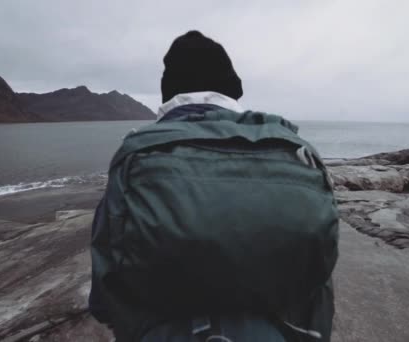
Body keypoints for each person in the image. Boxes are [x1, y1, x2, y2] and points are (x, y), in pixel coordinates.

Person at [90, 30, 338, 342]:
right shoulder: (292, 150)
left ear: (169, 93)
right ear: (232, 91)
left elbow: (105, 280)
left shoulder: (137, 154)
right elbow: (320, 272)